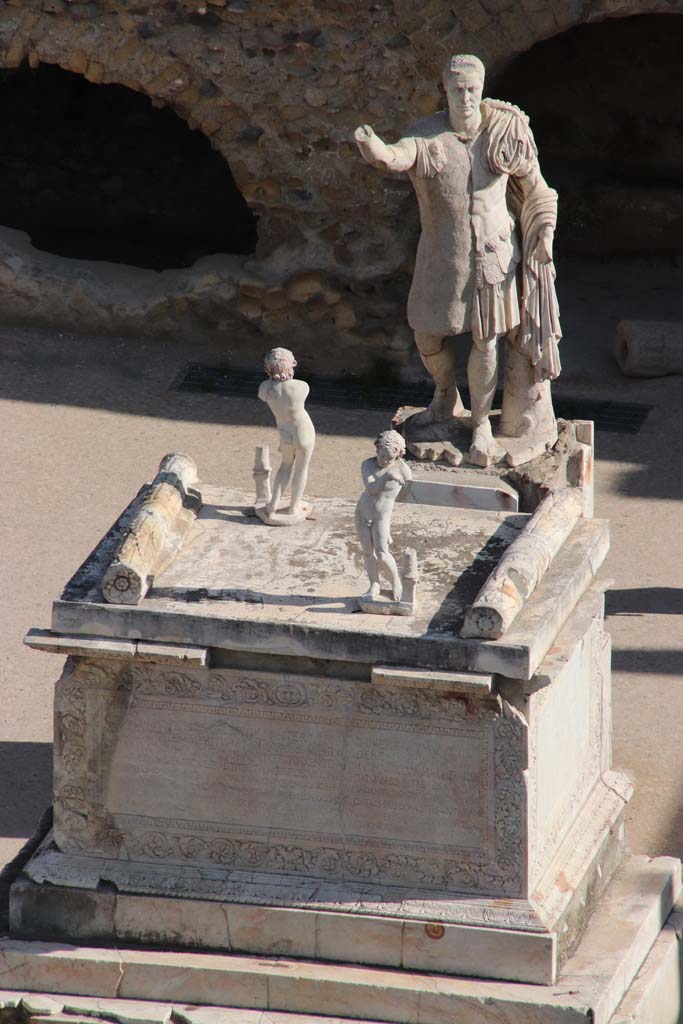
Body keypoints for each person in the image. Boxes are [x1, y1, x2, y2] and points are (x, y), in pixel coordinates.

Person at [354, 53, 561, 465]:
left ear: (481, 90)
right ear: (444, 91)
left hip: (494, 256)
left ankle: (481, 423)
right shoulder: (427, 136)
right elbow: (396, 157)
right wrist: (372, 147)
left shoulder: (505, 130)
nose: (465, 98)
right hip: (442, 258)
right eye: (456, 90)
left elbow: (538, 188)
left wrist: (545, 230)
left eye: (472, 90)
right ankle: (445, 394)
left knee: (486, 342)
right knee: (428, 335)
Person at [355, 430, 412, 601]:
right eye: (381, 456)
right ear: (377, 449)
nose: (383, 461)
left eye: (388, 459)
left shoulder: (403, 470)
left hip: (382, 516)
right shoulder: (368, 465)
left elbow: (407, 495)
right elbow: (372, 489)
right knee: (367, 552)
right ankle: (374, 584)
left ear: (398, 455)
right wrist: (387, 475)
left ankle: (396, 582)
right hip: (362, 512)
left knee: (382, 553)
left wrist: (388, 527)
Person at [258, 348, 315, 517]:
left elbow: (263, 395)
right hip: (303, 431)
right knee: (301, 469)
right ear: (292, 365)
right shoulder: (301, 386)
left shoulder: (265, 388)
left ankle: (273, 504)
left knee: (284, 467)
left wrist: (271, 378)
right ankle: (293, 507)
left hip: (284, 433)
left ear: (268, 368)